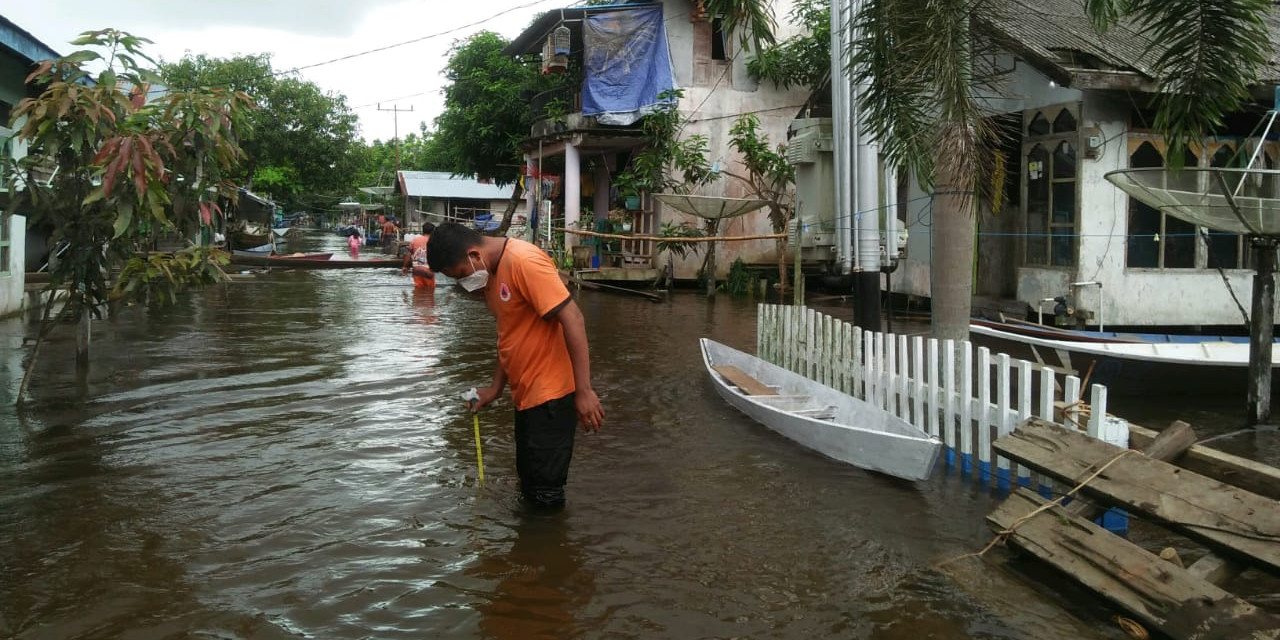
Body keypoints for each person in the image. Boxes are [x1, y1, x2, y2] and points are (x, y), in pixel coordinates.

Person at [427, 222, 604, 509]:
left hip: (551, 397)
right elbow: (509, 334)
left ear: (474, 255)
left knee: (546, 494)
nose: (464, 284)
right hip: (526, 397)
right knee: (530, 484)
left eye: (461, 275)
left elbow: (573, 318)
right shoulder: (491, 276)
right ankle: (532, 549)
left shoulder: (524, 261)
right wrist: (495, 389)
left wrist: (584, 390)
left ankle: (549, 549)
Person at [401, 222, 436, 290]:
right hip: (428, 270)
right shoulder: (434, 241)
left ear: (423, 231)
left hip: (417, 270)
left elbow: (408, 255)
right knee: (430, 292)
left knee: (418, 291)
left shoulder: (415, 240)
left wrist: (405, 267)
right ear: (433, 231)